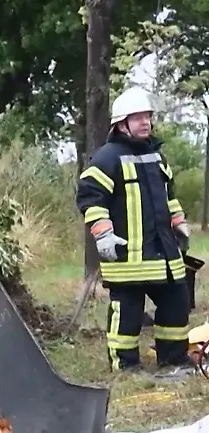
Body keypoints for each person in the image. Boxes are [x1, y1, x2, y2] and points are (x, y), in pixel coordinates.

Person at [76, 87, 195, 379]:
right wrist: (103, 233)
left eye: (148, 117)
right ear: (121, 123)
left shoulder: (158, 157)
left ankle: (173, 359)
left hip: (164, 255)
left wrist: (178, 221)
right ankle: (125, 366)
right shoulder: (106, 158)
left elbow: (170, 196)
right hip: (128, 259)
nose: (146, 123)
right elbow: (91, 198)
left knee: (176, 303)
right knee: (127, 313)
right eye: (138, 117)